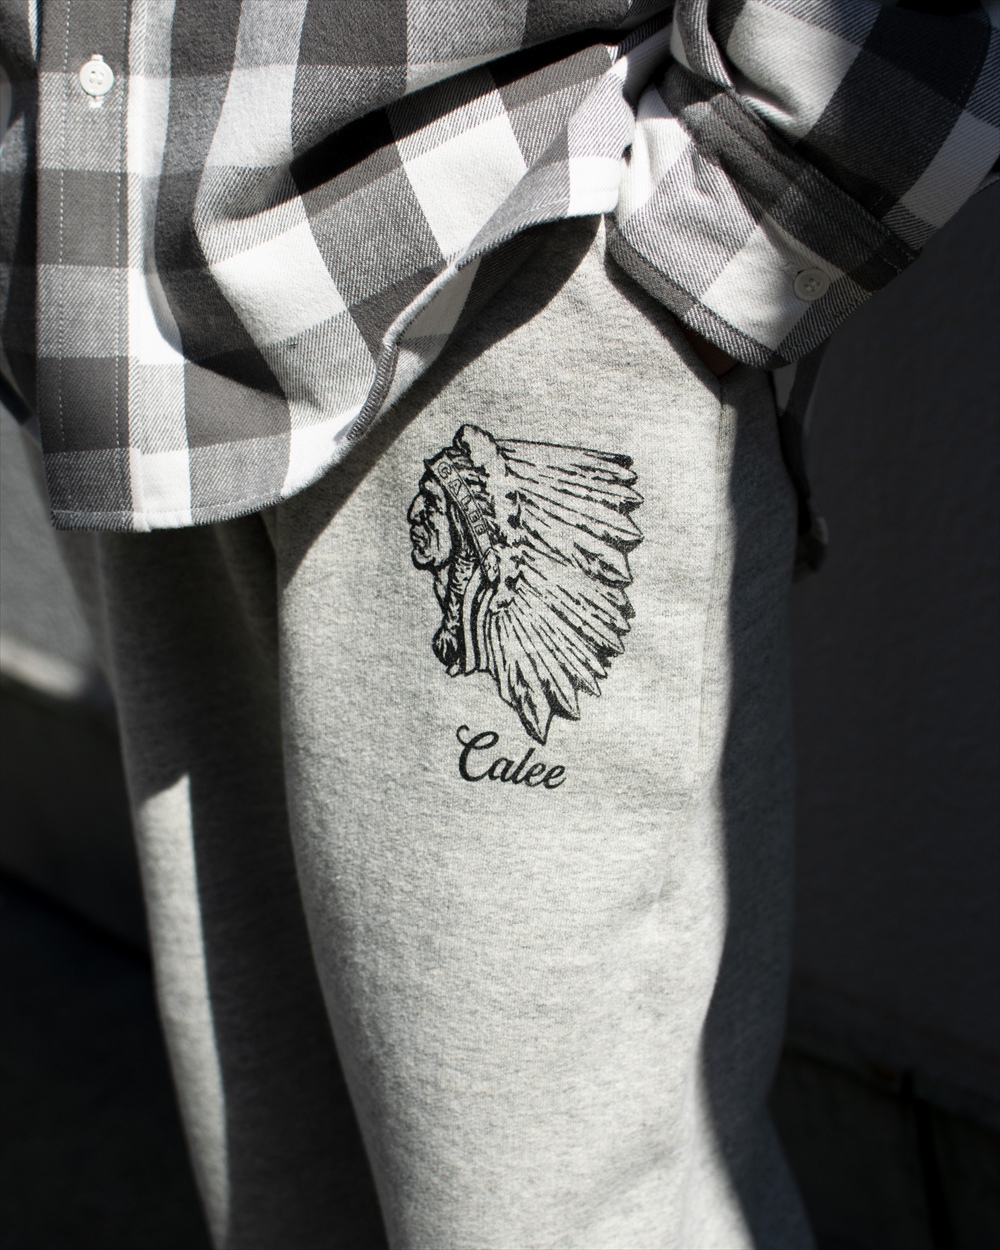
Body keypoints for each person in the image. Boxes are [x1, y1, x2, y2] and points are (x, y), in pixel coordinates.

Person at [1, 2, 996, 1246]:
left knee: (552, 1200)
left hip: (505, 260)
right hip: (122, 295)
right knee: (280, 1162)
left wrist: (739, 221)